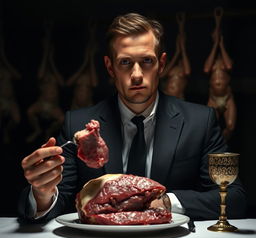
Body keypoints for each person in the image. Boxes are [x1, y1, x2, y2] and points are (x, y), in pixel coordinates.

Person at [18, 13, 247, 222]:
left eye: (147, 61)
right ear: (110, 68)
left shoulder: (200, 122)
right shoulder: (78, 125)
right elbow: (62, 198)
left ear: (162, 64)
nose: (136, 75)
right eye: (125, 62)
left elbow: (234, 198)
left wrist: (166, 201)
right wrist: (42, 193)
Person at [204, 7, 236, 141]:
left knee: (230, 126)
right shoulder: (211, 60)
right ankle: (214, 146)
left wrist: (221, 45)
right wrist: (215, 44)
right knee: (208, 126)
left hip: (227, 97)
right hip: (213, 98)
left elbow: (229, 66)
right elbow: (206, 69)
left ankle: (223, 146)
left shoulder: (226, 60)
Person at [160, 12, 191, 99]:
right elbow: (162, 75)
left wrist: (182, 49)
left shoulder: (184, 69)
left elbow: (188, 71)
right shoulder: (170, 67)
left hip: (179, 97)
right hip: (167, 96)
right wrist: (177, 52)